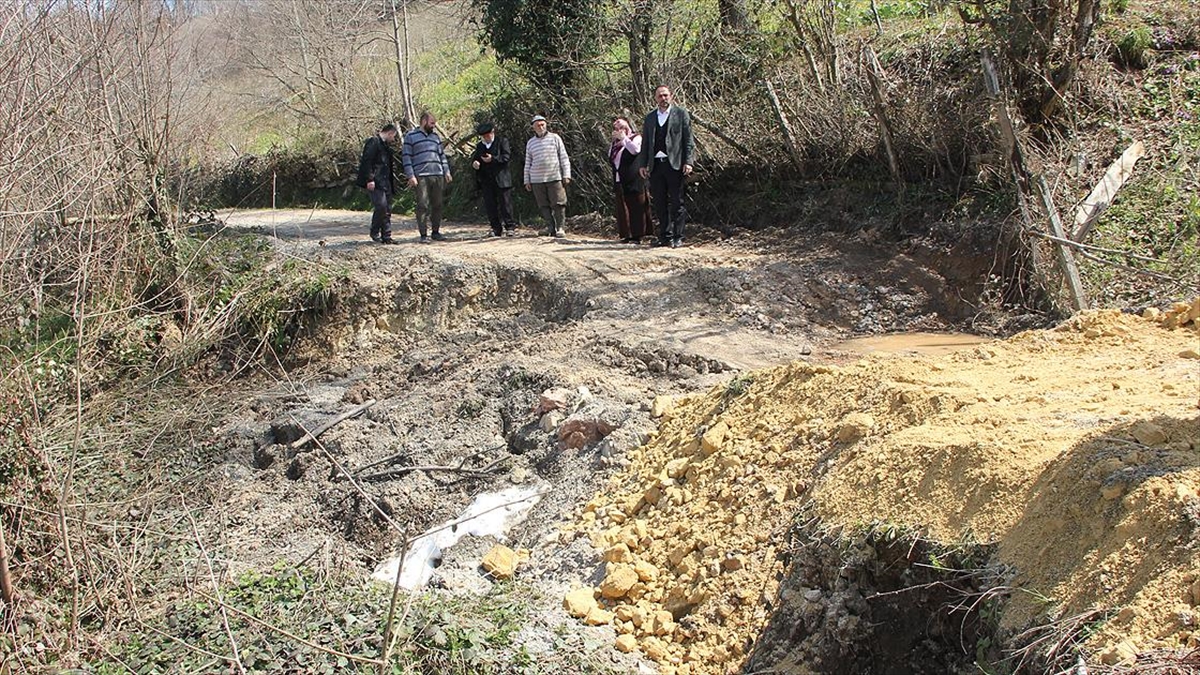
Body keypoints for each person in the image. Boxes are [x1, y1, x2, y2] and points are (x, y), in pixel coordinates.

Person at [638, 85, 695, 248]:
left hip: (675, 164)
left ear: (671, 96)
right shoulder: (650, 118)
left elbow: (688, 140)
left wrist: (688, 161)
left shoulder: (681, 114)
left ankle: (678, 236)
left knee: (677, 201)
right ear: (655, 98)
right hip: (656, 165)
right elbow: (646, 143)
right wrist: (643, 163)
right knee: (660, 202)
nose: (663, 98)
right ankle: (665, 236)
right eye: (660, 96)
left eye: (665, 95)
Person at [402, 111, 453, 243]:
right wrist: (411, 175)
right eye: (432, 123)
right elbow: (406, 157)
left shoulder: (435, 137)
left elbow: (442, 155)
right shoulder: (410, 136)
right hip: (421, 176)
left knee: (438, 204)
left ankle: (436, 232)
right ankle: (423, 234)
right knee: (422, 205)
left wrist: (446, 171)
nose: (434, 126)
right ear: (424, 122)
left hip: (438, 174)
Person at [523, 114, 572, 238]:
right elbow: (527, 162)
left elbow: (564, 157)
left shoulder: (555, 138)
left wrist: (566, 174)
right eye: (537, 125)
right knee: (543, 204)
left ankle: (560, 227)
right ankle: (550, 227)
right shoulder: (530, 143)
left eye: (542, 124)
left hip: (554, 176)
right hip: (537, 179)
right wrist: (526, 180)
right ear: (533, 127)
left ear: (546, 124)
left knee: (559, 203)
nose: (540, 127)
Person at [355, 122, 399, 244]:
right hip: (376, 181)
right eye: (393, 136)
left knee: (387, 209)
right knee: (381, 206)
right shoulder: (373, 142)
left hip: (386, 181)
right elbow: (367, 161)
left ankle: (387, 236)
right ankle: (374, 232)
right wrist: (370, 179)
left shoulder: (385, 146)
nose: (393, 139)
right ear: (389, 133)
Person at [609, 116, 651, 243]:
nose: (620, 130)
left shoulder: (636, 138)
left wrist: (624, 139)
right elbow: (611, 157)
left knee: (637, 206)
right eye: (617, 128)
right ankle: (626, 234)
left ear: (628, 127)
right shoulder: (615, 144)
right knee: (622, 206)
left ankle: (639, 235)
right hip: (619, 178)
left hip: (634, 178)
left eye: (622, 127)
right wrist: (616, 141)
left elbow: (635, 150)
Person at [470, 122, 516, 237]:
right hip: (487, 180)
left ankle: (510, 227)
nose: (486, 138)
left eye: (488, 135)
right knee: (490, 205)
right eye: (484, 136)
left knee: (505, 204)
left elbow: (506, 157)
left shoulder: (502, 141)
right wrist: (475, 163)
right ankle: (496, 228)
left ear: (492, 132)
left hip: (502, 179)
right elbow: (476, 159)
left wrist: (493, 159)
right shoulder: (480, 146)